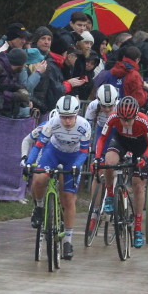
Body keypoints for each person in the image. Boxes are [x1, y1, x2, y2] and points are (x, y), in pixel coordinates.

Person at [27, 94, 91, 260]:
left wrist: (77, 166)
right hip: (53, 154)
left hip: (73, 157)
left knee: (68, 198)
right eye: (63, 117)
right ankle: (39, 206)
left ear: (76, 115)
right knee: (39, 178)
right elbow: (39, 145)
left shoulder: (84, 126)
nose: (67, 121)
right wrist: (29, 163)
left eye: (70, 117)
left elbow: (84, 151)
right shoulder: (52, 123)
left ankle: (68, 241)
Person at [96, 96, 148, 247]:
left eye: (129, 119)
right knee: (109, 163)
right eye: (123, 119)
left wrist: (144, 157)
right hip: (121, 141)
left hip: (140, 146)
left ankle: (137, 228)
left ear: (136, 115)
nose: (126, 122)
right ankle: (110, 195)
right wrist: (97, 158)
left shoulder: (143, 120)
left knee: (137, 185)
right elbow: (102, 139)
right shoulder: (113, 117)